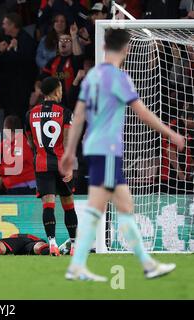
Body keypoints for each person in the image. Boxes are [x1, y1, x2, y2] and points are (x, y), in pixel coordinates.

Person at [60, 29, 185, 281]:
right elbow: (142, 113)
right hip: (108, 149)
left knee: (125, 206)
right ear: (127, 49)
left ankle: (147, 264)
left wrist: (70, 151)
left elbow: (79, 116)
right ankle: (77, 265)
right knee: (97, 207)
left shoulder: (92, 76)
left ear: (104, 45)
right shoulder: (119, 77)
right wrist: (170, 133)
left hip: (94, 147)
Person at [25, 77, 78, 256]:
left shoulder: (30, 113)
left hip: (42, 164)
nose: (62, 92)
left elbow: (30, 142)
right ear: (56, 91)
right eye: (61, 88)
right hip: (62, 164)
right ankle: (74, 245)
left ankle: (53, 244)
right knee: (68, 204)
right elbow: (68, 141)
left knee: (48, 205)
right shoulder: (65, 112)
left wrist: (41, 151)